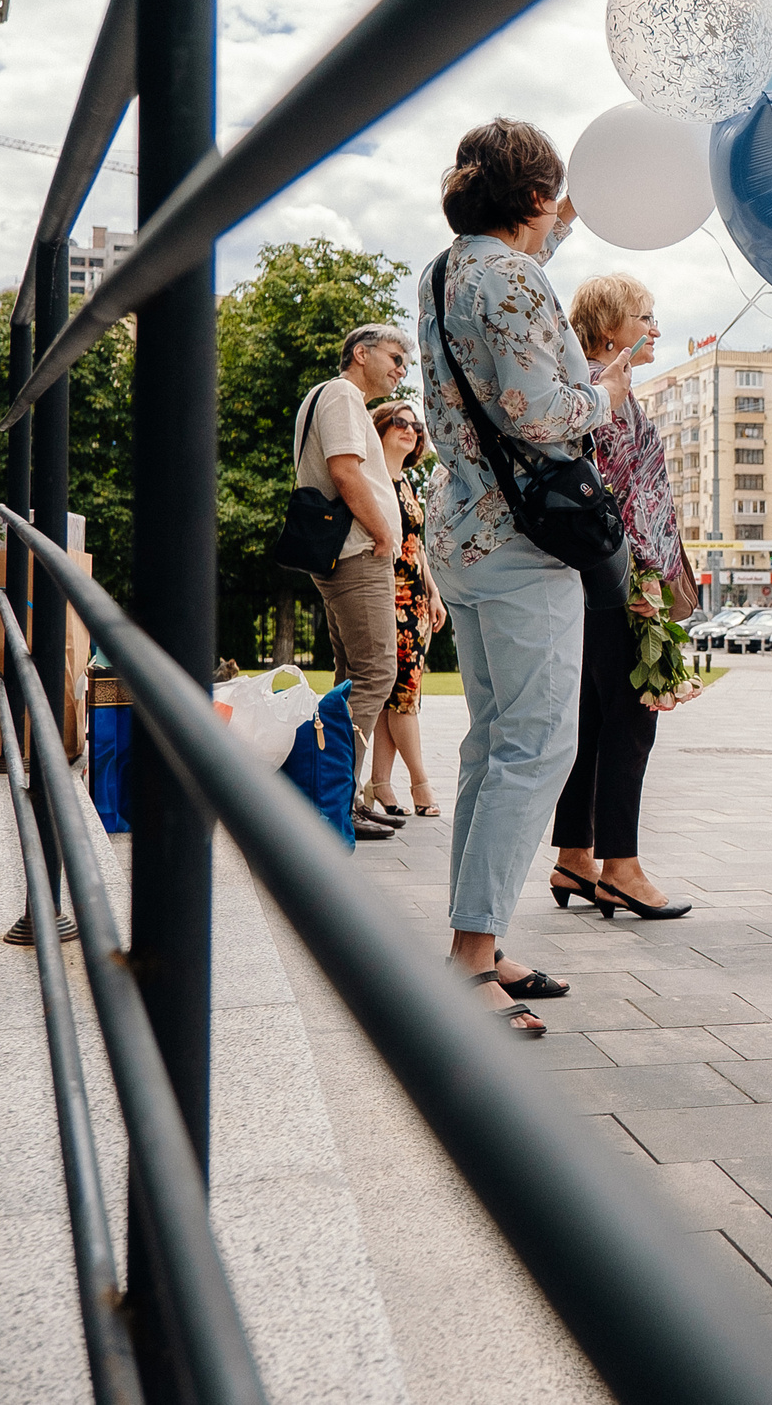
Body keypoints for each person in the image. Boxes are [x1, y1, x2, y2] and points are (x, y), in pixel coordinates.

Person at [418, 118, 632, 1037]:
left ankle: (480, 937)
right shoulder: (512, 276)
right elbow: (539, 410)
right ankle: (473, 958)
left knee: (492, 741)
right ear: (533, 201)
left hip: (464, 531)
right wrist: (605, 396)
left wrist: (571, 209)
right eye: (552, 203)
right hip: (518, 542)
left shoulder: (449, 268)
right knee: (536, 745)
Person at [547, 272, 693, 922]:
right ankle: (621, 867)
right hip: (620, 577)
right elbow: (611, 494)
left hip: (595, 576)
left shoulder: (595, 388)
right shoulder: (600, 394)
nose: (655, 328)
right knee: (632, 720)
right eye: (645, 317)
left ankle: (575, 854)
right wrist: (645, 584)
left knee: (590, 721)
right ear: (609, 328)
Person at [294, 324, 410, 839]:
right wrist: (384, 535)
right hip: (358, 553)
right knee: (374, 674)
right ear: (360, 354)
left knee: (349, 676)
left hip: (345, 555)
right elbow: (345, 471)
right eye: (394, 356)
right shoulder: (342, 393)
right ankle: (336, 801)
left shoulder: (332, 398)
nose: (402, 368)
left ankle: (337, 796)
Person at [366, 400, 447, 817]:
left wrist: (433, 592)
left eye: (415, 425)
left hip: (413, 598)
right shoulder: (371, 477)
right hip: (385, 594)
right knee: (401, 695)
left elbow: (418, 547)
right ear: (379, 428)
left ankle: (381, 782)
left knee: (396, 694)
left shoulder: (405, 482)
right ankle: (419, 783)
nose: (410, 429)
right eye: (399, 422)